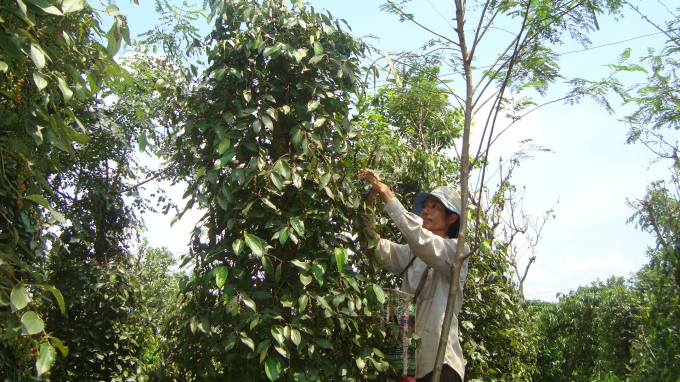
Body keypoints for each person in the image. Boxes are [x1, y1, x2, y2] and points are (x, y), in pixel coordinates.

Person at [359, 169, 469, 382]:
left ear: (451, 218)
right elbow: (373, 248)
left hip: (441, 363)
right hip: (411, 368)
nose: (425, 211)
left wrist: (385, 193)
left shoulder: (456, 252)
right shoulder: (412, 255)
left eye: (434, 206)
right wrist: (369, 201)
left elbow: (422, 242)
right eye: (425, 206)